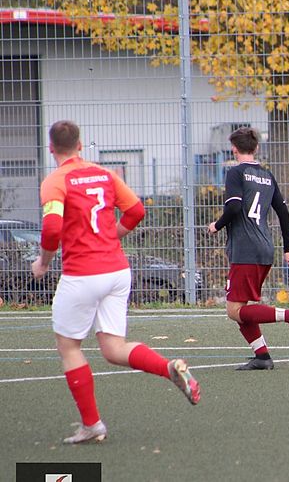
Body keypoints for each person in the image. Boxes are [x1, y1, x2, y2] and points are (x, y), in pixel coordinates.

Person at [32, 120, 200, 445]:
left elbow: (52, 228)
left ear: (51, 148)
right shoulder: (105, 174)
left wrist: (43, 263)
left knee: (69, 347)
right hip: (117, 271)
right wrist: (113, 235)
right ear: (80, 145)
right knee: (113, 348)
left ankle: (92, 424)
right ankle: (168, 368)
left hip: (83, 274)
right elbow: (136, 210)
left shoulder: (55, 181)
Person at [208, 126, 289, 370]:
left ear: (234, 149)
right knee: (240, 308)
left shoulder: (236, 173)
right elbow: (283, 212)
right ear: (257, 148)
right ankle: (262, 356)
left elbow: (234, 207)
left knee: (234, 310)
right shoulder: (266, 175)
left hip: (246, 249)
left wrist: (216, 226)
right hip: (265, 248)